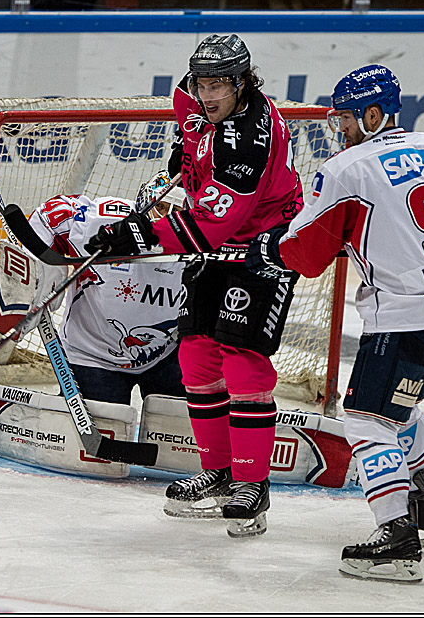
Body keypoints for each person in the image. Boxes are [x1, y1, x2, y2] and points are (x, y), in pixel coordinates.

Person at [246, 64, 424, 580]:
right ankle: (423, 506)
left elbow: (305, 255)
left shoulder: (347, 170)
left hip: (402, 315)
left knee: (366, 420)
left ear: (374, 115)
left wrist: (266, 247)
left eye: (348, 118)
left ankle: (396, 534)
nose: (341, 129)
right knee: (401, 404)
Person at [87, 34, 304, 537]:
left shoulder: (253, 134)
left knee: (243, 361)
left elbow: (211, 227)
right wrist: (176, 173)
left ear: (243, 82)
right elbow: (187, 143)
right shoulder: (191, 98)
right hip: (218, 243)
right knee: (196, 357)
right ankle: (218, 472)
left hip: (262, 246)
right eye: (202, 82)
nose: (206, 95)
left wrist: (134, 235)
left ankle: (252, 483)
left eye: (218, 86)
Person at [24, 170, 188, 405]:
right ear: (143, 201)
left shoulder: (202, 243)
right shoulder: (106, 222)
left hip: (165, 356)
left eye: (178, 213)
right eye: (160, 207)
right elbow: (50, 215)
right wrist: (44, 264)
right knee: (105, 429)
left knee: (182, 433)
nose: (165, 219)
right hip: (91, 356)